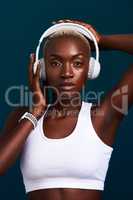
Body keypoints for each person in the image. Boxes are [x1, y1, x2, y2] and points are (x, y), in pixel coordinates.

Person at [0, 19, 133, 200]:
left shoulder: (103, 116)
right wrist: (35, 112)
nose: (67, 73)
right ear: (42, 69)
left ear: (91, 69)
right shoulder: (23, 116)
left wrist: (100, 41)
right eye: (55, 63)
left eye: (77, 63)